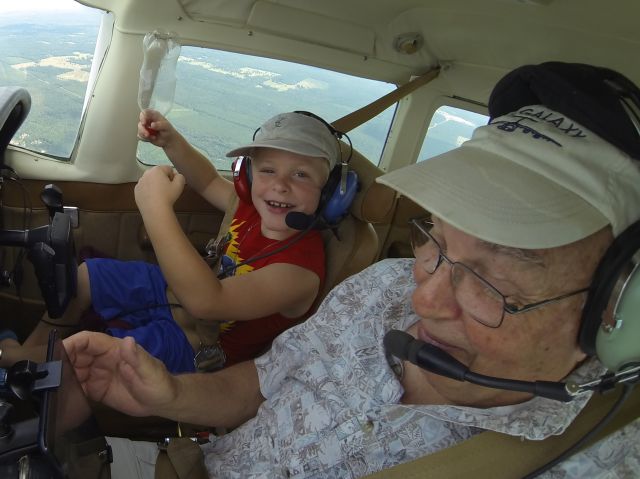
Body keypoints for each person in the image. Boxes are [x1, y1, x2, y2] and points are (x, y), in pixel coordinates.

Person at [63, 62, 640, 478]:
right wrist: (171, 395)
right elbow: (262, 382)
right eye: (435, 242)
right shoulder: (382, 286)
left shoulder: (595, 459)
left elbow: (211, 303)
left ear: (621, 307)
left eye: (496, 277)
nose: (424, 301)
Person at [1, 110, 341, 374]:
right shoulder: (251, 208)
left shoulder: (299, 271)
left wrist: (155, 206)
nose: (280, 185)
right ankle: (29, 350)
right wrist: (171, 140)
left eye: (301, 175)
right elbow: (206, 179)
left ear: (328, 193)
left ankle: (19, 361)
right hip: (172, 296)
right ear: (248, 175)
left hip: (197, 347)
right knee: (87, 275)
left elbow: (208, 302)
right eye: (267, 170)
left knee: (94, 352)